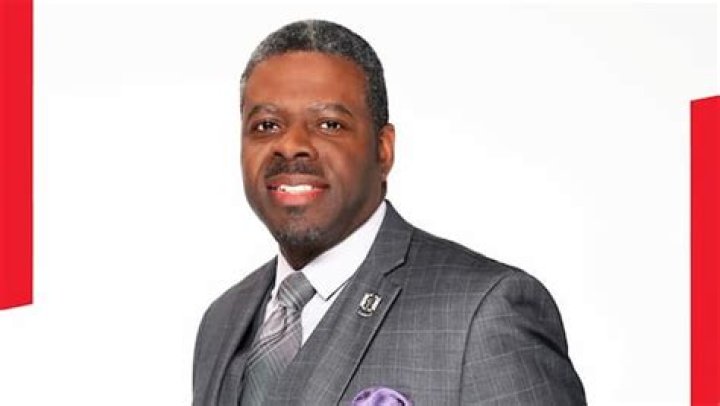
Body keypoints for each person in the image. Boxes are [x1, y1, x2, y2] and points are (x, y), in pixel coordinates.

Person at [192, 19, 585, 405]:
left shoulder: (483, 311)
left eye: (329, 124)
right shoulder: (222, 321)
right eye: (266, 125)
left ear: (383, 149)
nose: (291, 145)